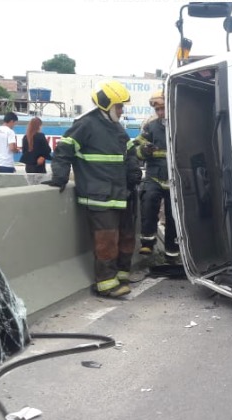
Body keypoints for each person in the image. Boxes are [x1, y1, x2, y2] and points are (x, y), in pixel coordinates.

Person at [44, 81, 142, 299]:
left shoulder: (116, 128)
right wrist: (59, 177)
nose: (122, 110)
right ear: (107, 105)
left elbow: (130, 152)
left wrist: (133, 171)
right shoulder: (85, 125)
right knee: (106, 240)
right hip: (99, 196)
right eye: (119, 106)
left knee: (126, 237)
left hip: (121, 194)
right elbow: (63, 151)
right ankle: (106, 284)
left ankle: (121, 276)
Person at [132, 89, 178, 260]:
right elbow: (137, 149)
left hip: (174, 178)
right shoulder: (150, 126)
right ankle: (147, 243)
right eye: (157, 110)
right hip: (154, 175)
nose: (160, 113)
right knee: (149, 202)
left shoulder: (180, 124)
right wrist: (144, 150)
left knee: (174, 215)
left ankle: (172, 251)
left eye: (162, 108)